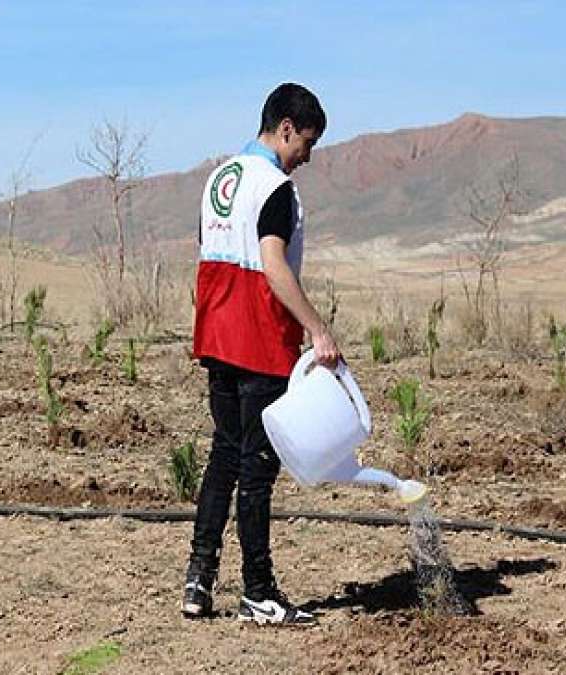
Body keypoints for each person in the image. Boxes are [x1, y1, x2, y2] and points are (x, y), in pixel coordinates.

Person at [183, 83, 340, 626]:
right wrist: (317, 330)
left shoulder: (218, 178)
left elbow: (207, 253)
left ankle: (198, 581)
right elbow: (273, 266)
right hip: (258, 340)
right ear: (287, 129)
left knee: (223, 456)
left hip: (217, 336)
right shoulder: (276, 187)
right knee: (256, 470)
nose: (308, 157)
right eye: (308, 143)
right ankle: (258, 591)